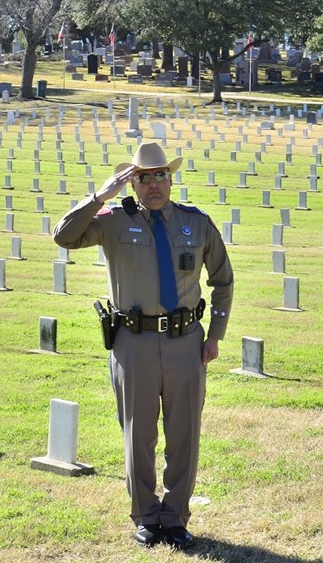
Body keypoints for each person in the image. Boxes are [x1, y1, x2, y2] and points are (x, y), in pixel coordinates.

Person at [53, 141, 233, 550]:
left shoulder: (196, 223)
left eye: (161, 175)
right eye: (144, 177)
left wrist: (214, 337)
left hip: (186, 342)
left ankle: (176, 517)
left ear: (171, 178)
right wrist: (100, 196)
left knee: (185, 433)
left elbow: (223, 280)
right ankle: (146, 516)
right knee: (138, 435)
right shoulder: (113, 221)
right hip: (133, 343)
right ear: (131, 183)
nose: (154, 184)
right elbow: (64, 236)